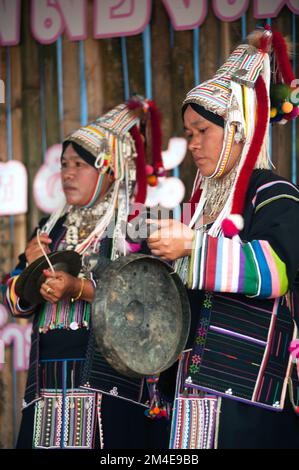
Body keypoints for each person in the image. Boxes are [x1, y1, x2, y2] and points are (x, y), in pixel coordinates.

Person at [147, 27, 299, 449]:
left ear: (236, 129)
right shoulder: (202, 208)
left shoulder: (275, 194)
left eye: (202, 131)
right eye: (188, 133)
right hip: (190, 394)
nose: (193, 144)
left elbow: (277, 271)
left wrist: (193, 246)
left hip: (247, 402)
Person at [3, 99, 171, 449]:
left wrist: (79, 288)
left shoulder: (136, 224)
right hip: (48, 384)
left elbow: (155, 301)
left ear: (109, 170)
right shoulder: (52, 228)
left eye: (79, 164)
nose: (67, 173)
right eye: (64, 164)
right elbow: (12, 299)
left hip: (109, 385)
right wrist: (31, 271)